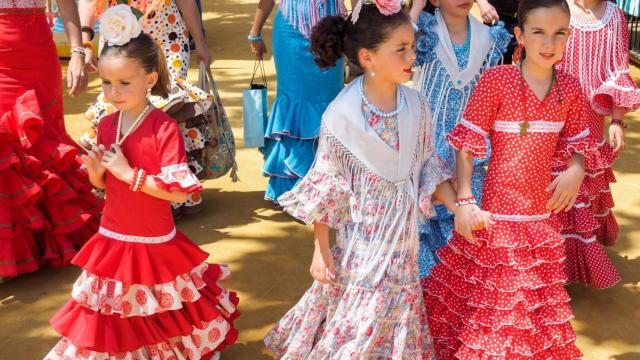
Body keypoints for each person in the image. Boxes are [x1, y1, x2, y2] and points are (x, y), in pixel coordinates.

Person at [264, 2, 460, 358]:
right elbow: (327, 185)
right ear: (368, 58)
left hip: (404, 248)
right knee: (359, 330)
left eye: (412, 47)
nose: (410, 56)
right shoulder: (341, 116)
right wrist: (321, 251)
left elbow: (428, 166)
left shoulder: (418, 105)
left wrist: (459, 206)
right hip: (363, 248)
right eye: (400, 49)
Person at [45, 6, 239, 359]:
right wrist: (97, 173)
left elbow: (179, 192)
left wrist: (126, 174)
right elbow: (104, 188)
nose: (113, 92)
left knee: (158, 314)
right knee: (114, 313)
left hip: (153, 242)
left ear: (150, 79)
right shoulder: (106, 124)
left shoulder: (163, 128)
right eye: (106, 82)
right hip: (113, 239)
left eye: (123, 83)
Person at [422, 0, 595, 357]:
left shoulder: (571, 89)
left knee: (528, 319)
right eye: (538, 33)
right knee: (490, 318)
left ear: (569, 35)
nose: (549, 43)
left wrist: (576, 169)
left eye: (559, 33)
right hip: (495, 223)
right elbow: (466, 143)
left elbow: (580, 142)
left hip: (541, 223)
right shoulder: (497, 81)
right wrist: (466, 200)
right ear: (519, 35)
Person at [78, 0, 214, 216]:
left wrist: (200, 42)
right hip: (118, 43)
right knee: (122, 112)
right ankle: (128, 185)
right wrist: (85, 43)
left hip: (167, 40)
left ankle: (172, 192)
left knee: (167, 108)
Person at [409, 0, 510, 277]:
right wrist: (416, 8)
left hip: (468, 147)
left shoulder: (489, 38)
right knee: (429, 220)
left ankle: (460, 289)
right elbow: (403, 46)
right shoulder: (425, 32)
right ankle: (430, 288)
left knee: (471, 218)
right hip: (429, 141)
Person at [0, 0, 101, 278]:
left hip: (40, 59)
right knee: (5, 146)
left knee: (42, 140)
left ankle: (47, 243)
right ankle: (11, 252)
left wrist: (78, 53)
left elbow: (67, 5)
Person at [554, 0, 640, 289]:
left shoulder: (615, 16)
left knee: (580, 186)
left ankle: (570, 264)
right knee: (552, 179)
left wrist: (617, 121)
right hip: (554, 109)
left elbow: (619, 69)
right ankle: (547, 260)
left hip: (591, 117)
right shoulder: (559, 8)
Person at [249, 0, 345, 203]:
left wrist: (359, 34)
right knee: (293, 103)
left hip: (333, 32)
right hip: (290, 32)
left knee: (330, 101)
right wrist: (255, 32)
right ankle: (290, 187)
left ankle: (329, 185)